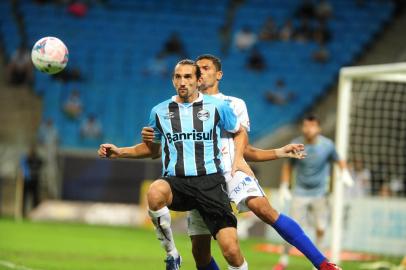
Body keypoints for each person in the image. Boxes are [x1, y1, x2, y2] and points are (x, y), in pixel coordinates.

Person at [142, 55, 342, 270]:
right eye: (197, 69)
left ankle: (322, 264)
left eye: (206, 68)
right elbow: (159, 147)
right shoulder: (177, 110)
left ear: (218, 74)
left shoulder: (232, 104)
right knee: (200, 253)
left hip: (232, 171)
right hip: (201, 178)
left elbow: (244, 145)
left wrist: (261, 155)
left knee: (264, 209)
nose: (201, 73)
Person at [98, 59, 252, 270]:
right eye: (178, 77)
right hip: (177, 183)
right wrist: (120, 151)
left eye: (188, 77)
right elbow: (153, 151)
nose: (182, 82)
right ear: (173, 80)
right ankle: (171, 254)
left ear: (198, 80)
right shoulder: (159, 112)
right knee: (154, 191)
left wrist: (239, 158)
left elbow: (239, 131)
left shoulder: (218, 107)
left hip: (211, 184)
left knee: (229, 251)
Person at [274, 115, 353, 270]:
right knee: (290, 227)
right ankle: (283, 261)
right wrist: (284, 185)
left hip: (320, 193)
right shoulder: (296, 144)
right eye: (305, 126)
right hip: (300, 192)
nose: (308, 129)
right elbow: (287, 166)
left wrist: (344, 173)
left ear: (318, 128)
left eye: (312, 126)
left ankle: (319, 263)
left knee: (321, 228)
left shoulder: (327, 145)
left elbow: (338, 159)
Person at [20, 144, 43, 216]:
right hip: (26, 181)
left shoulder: (38, 159)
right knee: (24, 198)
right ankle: (22, 213)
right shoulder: (26, 159)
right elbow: (22, 168)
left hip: (35, 181)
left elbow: (41, 165)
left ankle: (35, 213)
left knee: (35, 198)